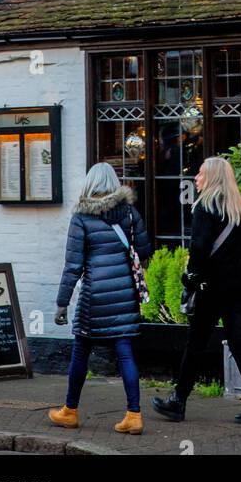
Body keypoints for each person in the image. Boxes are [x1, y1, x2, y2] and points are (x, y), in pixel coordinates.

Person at [152, 155, 241, 427]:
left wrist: (190, 276)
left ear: (212, 177)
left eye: (201, 173)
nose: (196, 178)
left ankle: (178, 401)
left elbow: (200, 248)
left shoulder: (204, 206)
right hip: (238, 289)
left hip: (211, 288)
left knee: (195, 345)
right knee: (239, 345)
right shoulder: (240, 210)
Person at [48, 162, 152, 435]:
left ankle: (70, 411)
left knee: (81, 352)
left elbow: (73, 265)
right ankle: (134, 415)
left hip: (94, 295)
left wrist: (62, 303)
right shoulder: (129, 213)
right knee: (125, 352)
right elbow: (144, 249)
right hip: (125, 293)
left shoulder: (82, 217)